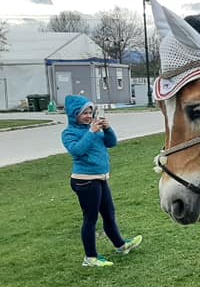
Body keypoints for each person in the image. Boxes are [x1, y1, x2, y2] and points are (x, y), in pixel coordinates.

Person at [61, 95, 142, 267]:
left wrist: (108, 129)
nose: (89, 116)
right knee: (90, 219)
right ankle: (90, 258)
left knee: (109, 214)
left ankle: (121, 246)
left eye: (90, 112)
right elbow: (77, 150)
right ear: (75, 115)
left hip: (101, 178)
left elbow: (111, 143)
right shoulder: (69, 133)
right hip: (85, 181)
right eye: (84, 113)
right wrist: (91, 132)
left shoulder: (94, 129)